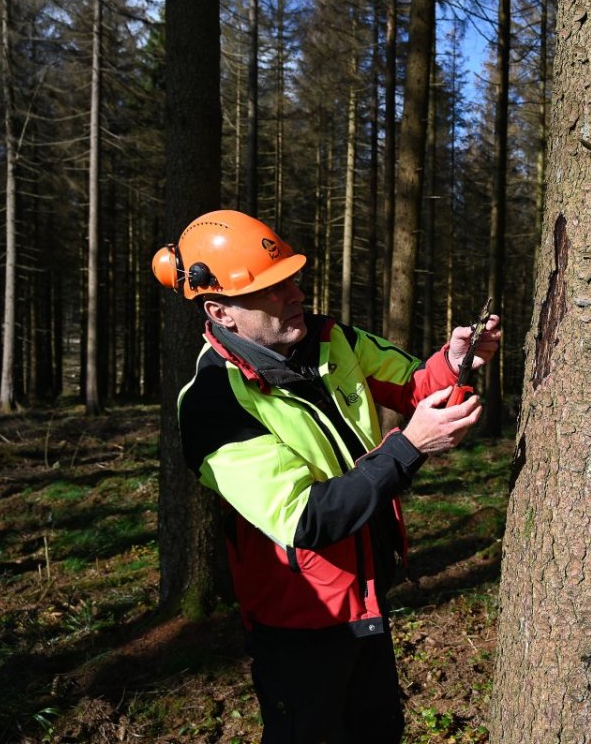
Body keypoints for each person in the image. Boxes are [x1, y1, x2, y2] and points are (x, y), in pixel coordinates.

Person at [151, 209, 500, 743]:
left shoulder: (330, 338)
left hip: (368, 590)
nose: (293, 293)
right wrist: (409, 447)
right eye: (270, 288)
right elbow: (304, 517)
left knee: (378, 731)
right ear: (221, 310)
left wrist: (453, 363)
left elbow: (412, 384)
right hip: (299, 620)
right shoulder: (210, 403)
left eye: (291, 277)